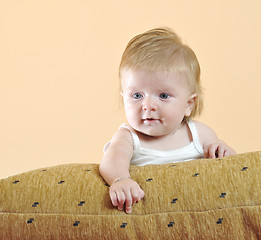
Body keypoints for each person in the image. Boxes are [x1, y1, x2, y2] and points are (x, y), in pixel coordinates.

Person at [99, 27, 236, 214]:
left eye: (163, 95)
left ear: (189, 104)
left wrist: (224, 151)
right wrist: (120, 180)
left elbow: (225, 165)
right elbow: (111, 161)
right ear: (124, 96)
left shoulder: (200, 135)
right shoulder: (128, 137)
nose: (147, 105)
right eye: (137, 95)